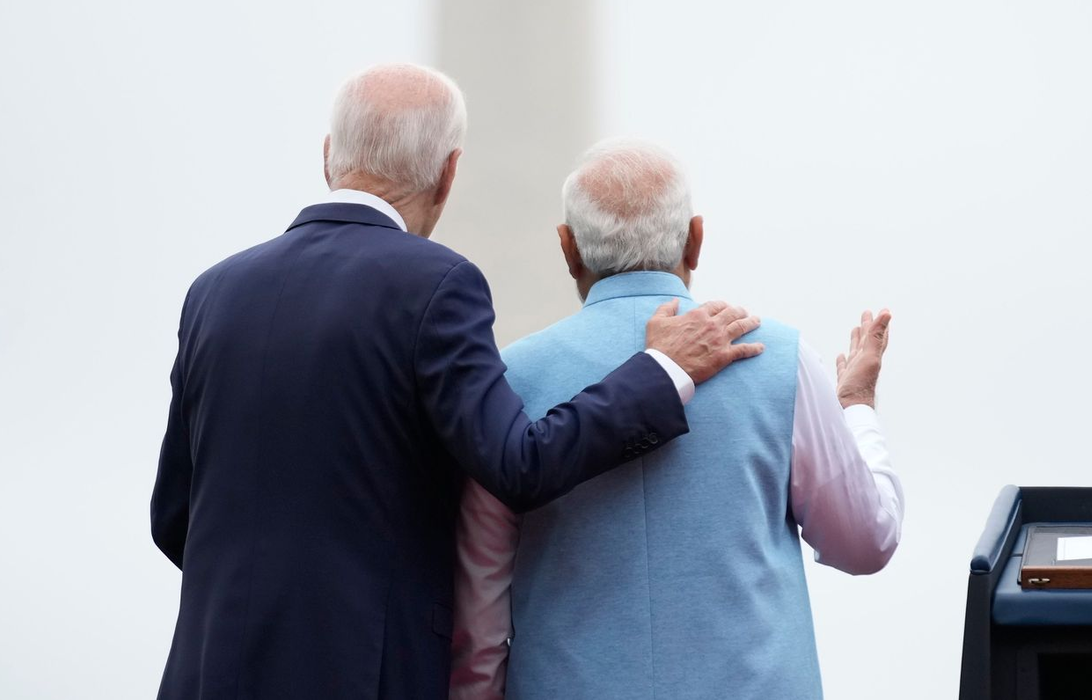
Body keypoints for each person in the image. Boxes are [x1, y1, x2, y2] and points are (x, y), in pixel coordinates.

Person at [150, 65, 763, 700]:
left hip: (208, 671)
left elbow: (173, 515)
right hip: (368, 674)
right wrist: (660, 372)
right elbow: (520, 464)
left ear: (328, 156)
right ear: (449, 172)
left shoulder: (214, 292)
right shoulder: (436, 284)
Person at [451, 138, 903, 700]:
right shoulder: (784, 359)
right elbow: (866, 540)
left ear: (567, 249)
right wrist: (856, 403)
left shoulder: (508, 380)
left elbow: (479, 613)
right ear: (696, 239)